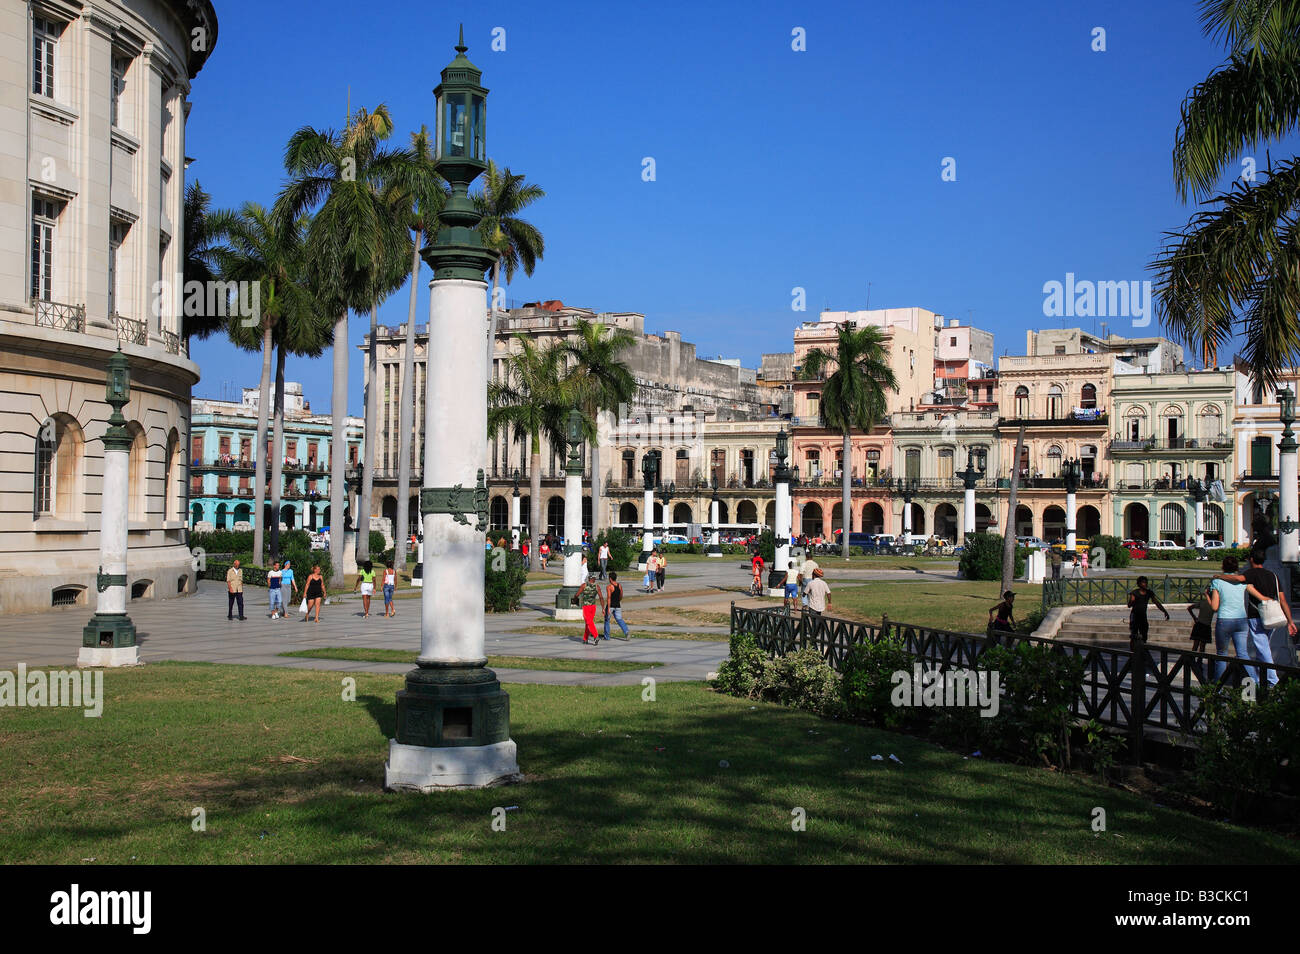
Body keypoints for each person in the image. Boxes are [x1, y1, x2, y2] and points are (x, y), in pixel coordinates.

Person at [1217, 548, 1296, 686]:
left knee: (1262, 647)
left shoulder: (1251, 573)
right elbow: (1282, 600)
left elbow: (1237, 578)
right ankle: (1261, 678)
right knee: (1262, 648)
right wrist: (1290, 621)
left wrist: (1219, 577)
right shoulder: (1273, 575)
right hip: (1273, 617)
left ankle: (1272, 680)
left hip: (1257, 616)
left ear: (1251, 559)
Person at [1207, 555, 1273, 683]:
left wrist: (1207, 597)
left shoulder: (1217, 582)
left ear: (1223, 567)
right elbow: (1261, 597)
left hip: (1224, 620)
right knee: (1243, 654)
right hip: (1242, 620)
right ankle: (1255, 684)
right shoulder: (1243, 581)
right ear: (1237, 567)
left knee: (1221, 655)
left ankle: (1217, 688)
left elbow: (1215, 606)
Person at [1126, 576, 1170, 643]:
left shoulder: (1149, 593)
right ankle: (1133, 651)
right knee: (1134, 635)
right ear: (1139, 584)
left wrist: (1164, 611)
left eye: (1146, 582)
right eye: (1143, 582)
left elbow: (1156, 602)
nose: (1145, 584)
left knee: (1144, 634)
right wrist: (1132, 601)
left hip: (1143, 616)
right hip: (1134, 615)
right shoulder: (1134, 593)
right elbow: (1129, 605)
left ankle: (1142, 649)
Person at [1187, 585, 1214, 678]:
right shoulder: (1213, 605)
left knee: (1196, 644)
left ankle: (1192, 659)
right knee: (1202, 646)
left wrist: (1194, 617)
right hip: (1206, 626)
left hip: (1199, 624)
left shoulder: (1202, 602)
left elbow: (1189, 608)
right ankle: (1199, 661)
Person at [572, 574, 606, 644]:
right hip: (593, 607)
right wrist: (603, 608)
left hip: (586, 606)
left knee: (589, 622)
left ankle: (596, 636)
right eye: (594, 578)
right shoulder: (597, 587)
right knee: (588, 622)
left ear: (589, 578)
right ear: (593, 578)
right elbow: (601, 598)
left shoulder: (584, 585)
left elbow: (577, 594)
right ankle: (585, 638)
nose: (595, 579)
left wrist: (574, 601)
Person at [604, 571, 630, 640]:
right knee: (619, 620)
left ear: (610, 579)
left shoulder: (609, 587)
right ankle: (626, 632)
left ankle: (607, 636)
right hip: (618, 605)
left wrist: (608, 608)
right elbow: (621, 595)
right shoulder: (619, 585)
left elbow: (609, 598)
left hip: (611, 605)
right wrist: (618, 601)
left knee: (607, 620)